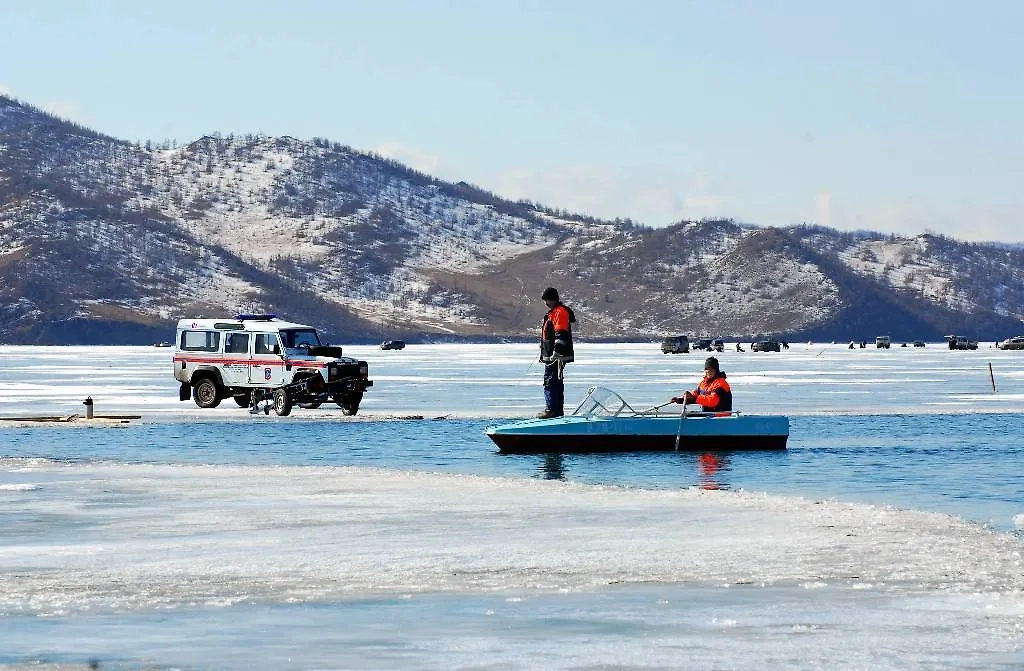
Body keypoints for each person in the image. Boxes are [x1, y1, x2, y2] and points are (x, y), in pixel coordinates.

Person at [537, 287, 576, 418]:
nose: (545, 303)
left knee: (551, 381)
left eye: (547, 300)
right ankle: (556, 410)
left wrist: (557, 351)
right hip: (551, 356)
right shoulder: (553, 312)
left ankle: (552, 410)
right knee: (555, 381)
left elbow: (561, 332)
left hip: (556, 356)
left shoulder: (559, 312)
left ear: (552, 299)